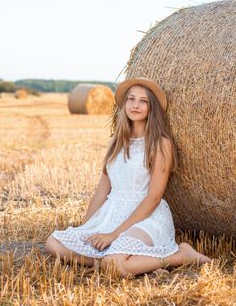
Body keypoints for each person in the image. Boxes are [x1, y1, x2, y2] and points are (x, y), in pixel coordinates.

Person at [45, 77, 212, 277]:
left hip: (146, 216)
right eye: (131, 99)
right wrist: (86, 226)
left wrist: (114, 234)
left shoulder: (160, 144)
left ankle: (180, 256)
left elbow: (153, 198)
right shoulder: (115, 143)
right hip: (112, 213)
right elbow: (102, 191)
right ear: (124, 105)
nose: (135, 105)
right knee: (53, 243)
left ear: (152, 108)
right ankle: (131, 263)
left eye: (143, 101)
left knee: (114, 264)